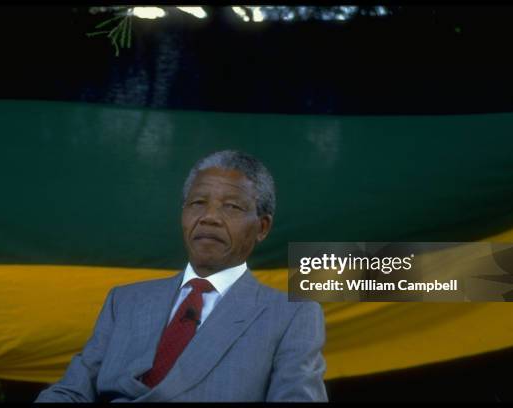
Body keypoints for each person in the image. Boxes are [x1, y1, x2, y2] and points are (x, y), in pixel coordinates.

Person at [35, 150, 327, 402]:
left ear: (262, 227)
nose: (209, 216)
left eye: (232, 206)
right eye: (198, 203)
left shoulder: (292, 316)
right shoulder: (124, 301)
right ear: (183, 214)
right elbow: (72, 392)